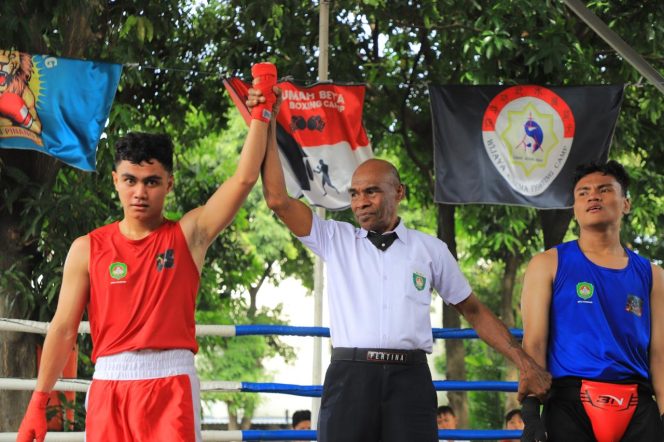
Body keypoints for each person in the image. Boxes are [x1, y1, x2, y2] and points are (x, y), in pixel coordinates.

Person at [249, 87, 551, 442]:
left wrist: (524, 361)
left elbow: (474, 310)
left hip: (410, 379)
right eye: (355, 193)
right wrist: (266, 121)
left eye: (372, 191)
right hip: (350, 375)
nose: (361, 202)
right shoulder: (336, 239)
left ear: (399, 193)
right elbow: (277, 200)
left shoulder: (430, 249)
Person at [16, 63, 277, 442]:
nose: (140, 192)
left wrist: (261, 113)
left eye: (152, 182)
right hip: (109, 384)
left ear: (169, 184)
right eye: (131, 181)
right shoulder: (87, 248)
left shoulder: (190, 234)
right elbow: (63, 328)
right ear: (115, 182)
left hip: (171, 382)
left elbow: (244, 179)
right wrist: (38, 402)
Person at [520, 160, 664, 441]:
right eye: (583, 193)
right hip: (569, 400)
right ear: (575, 209)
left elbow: (660, 354)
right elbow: (534, 342)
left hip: (637, 400)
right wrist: (530, 412)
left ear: (626, 204)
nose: (593, 196)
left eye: (604, 189)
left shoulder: (653, 274)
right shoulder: (547, 264)